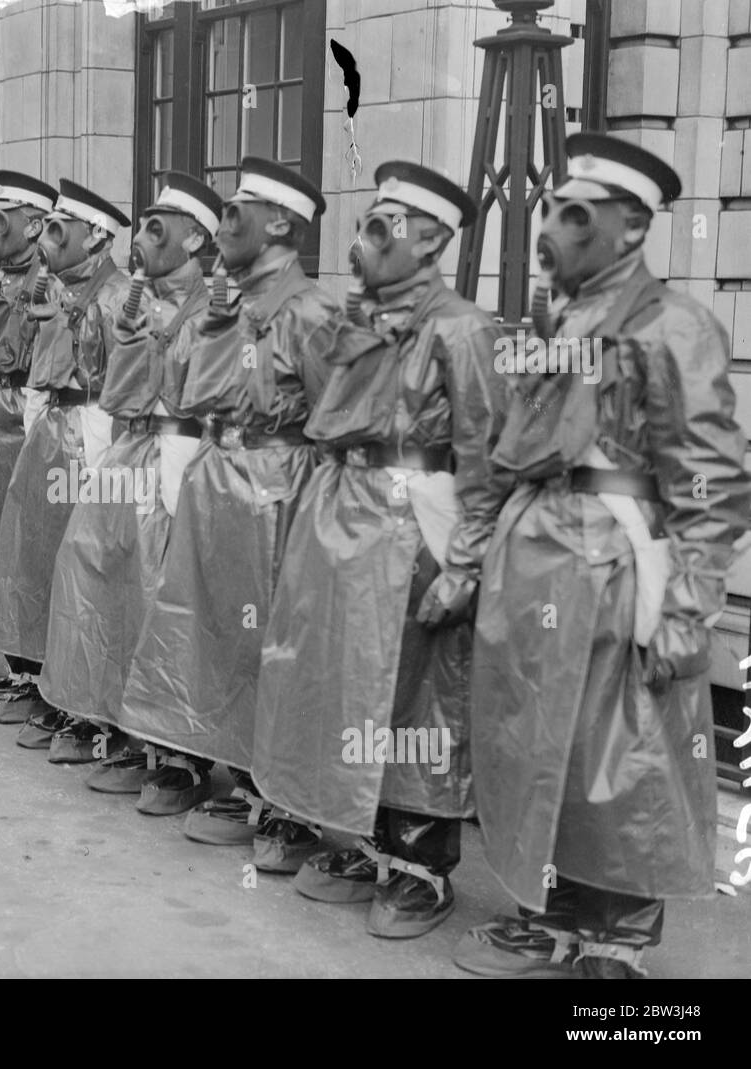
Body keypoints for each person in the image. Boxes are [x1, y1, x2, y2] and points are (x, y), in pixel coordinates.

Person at [453, 134, 751, 978]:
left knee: (624, 752)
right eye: (551, 208)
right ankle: (548, 914)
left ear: (630, 230)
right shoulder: (560, 319)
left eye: (576, 214)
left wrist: (691, 608)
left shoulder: (674, 325)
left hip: (618, 565)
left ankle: (613, 947)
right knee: (543, 743)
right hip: (538, 554)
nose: (552, 226)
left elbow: (712, 481)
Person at [253, 162, 507, 926]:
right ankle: (363, 841)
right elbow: (295, 403)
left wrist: (464, 566)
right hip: (342, 513)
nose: (363, 241)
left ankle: (424, 862)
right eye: (366, 222)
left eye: (382, 226)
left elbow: (486, 457)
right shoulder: (350, 320)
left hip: (415, 518)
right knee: (345, 681)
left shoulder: (464, 329)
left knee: (418, 689)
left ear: (430, 242)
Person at [118, 157, 339, 851]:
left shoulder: (311, 311)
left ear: (281, 224)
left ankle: (275, 794)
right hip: (216, 474)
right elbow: (179, 392)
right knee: (206, 623)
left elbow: (338, 423)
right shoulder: (223, 307)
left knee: (269, 636)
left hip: (278, 483)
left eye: (242, 204)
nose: (227, 216)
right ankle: (210, 759)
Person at [40, 172, 222, 792]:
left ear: (196, 239)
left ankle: (176, 751)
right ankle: (112, 721)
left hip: (181, 449)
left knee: (162, 591)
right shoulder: (130, 300)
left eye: (159, 226)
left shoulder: (215, 306)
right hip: (131, 446)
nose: (145, 237)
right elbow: (105, 386)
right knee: (98, 567)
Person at [0, 179, 131, 746]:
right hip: (51, 437)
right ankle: (52, 684)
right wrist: (36, 426)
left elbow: (122, 390)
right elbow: (41, 372)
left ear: (97, 235)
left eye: (62, 225)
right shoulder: (61, 291)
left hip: (92, 439)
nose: (51, 236)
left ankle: (91, 704)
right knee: (39, 560)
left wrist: (103, 461)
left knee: (88, 569)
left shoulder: (117, 296)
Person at [0, 171, 57, 716]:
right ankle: (14, 666)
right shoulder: (4, 280)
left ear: (35, 225)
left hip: (29, 413)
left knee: (28, 542)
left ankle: (36, 671)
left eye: (0, 221)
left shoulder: (46, 284)